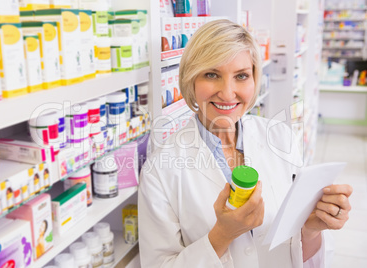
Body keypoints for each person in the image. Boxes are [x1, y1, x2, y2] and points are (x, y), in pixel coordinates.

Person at [138, 20, 352, 268]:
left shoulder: (280, 139)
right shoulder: (159, 171)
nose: (228, 93)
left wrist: (312, 229)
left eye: (241, 76)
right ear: (190, 80)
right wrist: (222, 235)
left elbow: (298, 250)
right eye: (211, 74)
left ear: (254, 79)